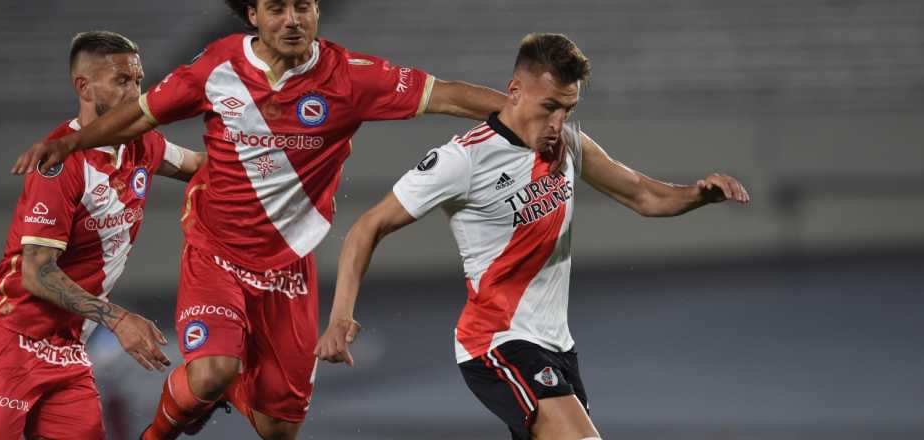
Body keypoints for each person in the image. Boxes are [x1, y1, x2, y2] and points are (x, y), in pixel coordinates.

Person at [10, 1, 510, 438]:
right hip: (215, 252)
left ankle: (229, 390)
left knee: (279, 428)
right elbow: (142, 114)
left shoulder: (352, 77)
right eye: (276, 7)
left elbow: (445, 95)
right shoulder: (217, 67)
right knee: (210, 372)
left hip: (288, 266)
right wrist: (71, 141)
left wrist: (523, 115)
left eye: (303, 7)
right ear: (253, 14)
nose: (292, 20)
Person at [315, 33, 750, 440]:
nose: (558, 122)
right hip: (497, 343)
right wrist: (339, 319)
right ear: (515, 91)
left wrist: (698, 195)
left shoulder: (568, 144)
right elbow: (367, 227)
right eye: (549, 107)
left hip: (558, 346)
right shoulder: (463, 160)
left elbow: (643, 196)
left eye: (568, 109)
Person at [0, 31, 205, 440]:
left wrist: (285, 168)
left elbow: (200, 165)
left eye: (138, 80)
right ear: (83, 86)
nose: (136, 92)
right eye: (122, 81)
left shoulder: (143, 144)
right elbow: (36, 272)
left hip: (68, 351)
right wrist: (118, 319)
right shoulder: (60, 161)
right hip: (9, 342)